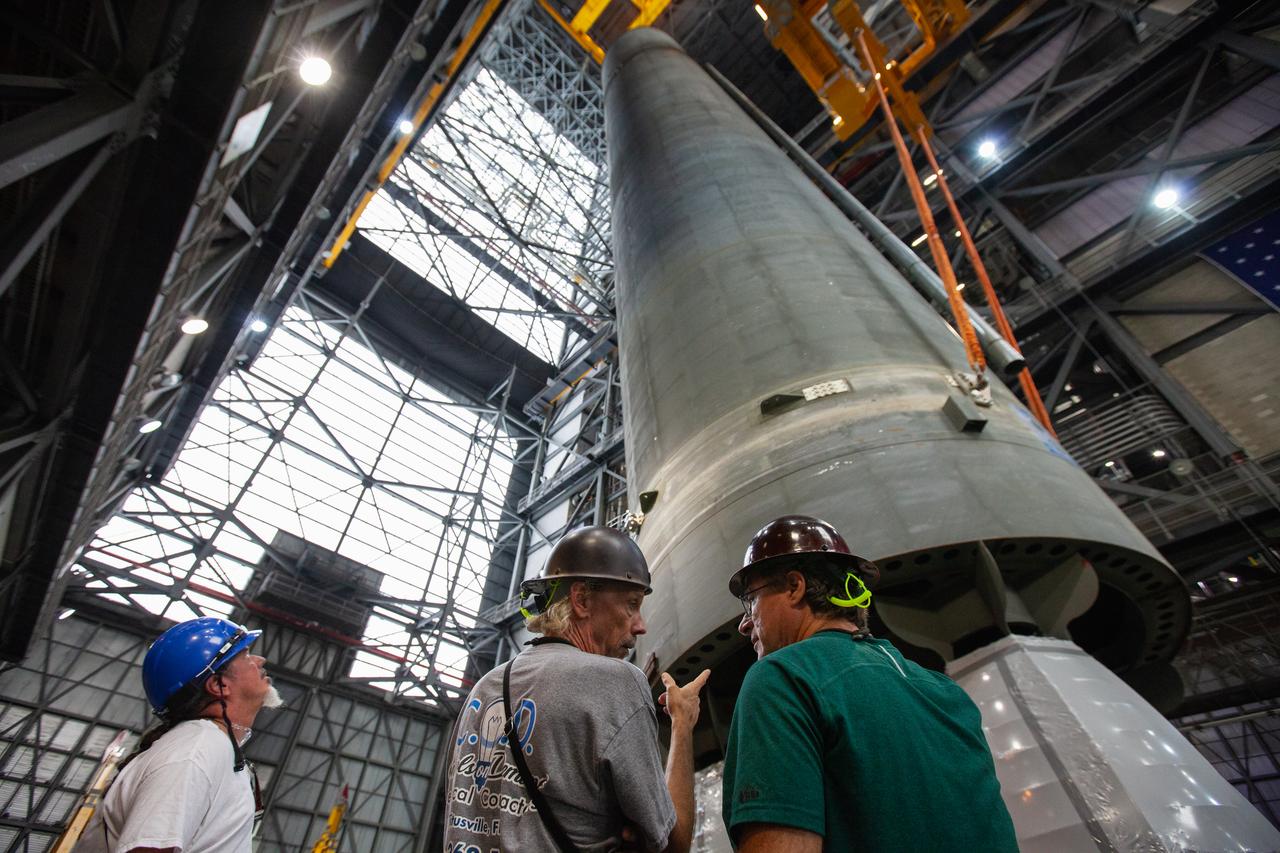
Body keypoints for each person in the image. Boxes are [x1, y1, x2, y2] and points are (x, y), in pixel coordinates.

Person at [720, 515, 1018, 853]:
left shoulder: (783, 678)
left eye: (751, 600)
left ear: (794, 586)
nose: (744, 624)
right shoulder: (948, 694)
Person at [444, 525, 710, 853]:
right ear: (582, 600)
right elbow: (673, 844)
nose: (641, 625)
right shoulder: (617, 682)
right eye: (631, 604)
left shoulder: (485, 689)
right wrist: (683, 723)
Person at [75, 617, 283, 853]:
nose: (260, 660)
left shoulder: (211, 747)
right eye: (245, 656)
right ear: (219, 685)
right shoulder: (196, 749)